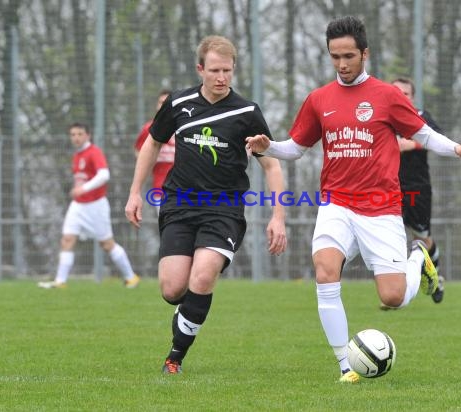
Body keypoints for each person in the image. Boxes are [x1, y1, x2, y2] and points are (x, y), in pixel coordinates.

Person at [246, 16, 461, 383]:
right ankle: (345, 366)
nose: (342, 64)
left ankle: (418, 258)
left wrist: (458, 148)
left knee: (393, 297)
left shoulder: (387, 96)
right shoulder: (319, 99)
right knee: (324, 271)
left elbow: (425, 135)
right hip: (336, 204)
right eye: (335, 56)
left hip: (381, 208)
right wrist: (268, 146)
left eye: (349, 56)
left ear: (365, 53)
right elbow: (295, 149)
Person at [124, 35, 287, 375]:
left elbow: (271, 164)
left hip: (223, 211)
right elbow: (152, 145)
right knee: (172, 289)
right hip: (179, 206)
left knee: (203, 275)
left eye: (227, 70)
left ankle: (175, 357)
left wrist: (278, 216)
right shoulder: (178, 104)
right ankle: (185, 313)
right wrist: (134, 192)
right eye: (214, 70)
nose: (221, 77)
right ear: (200, 69)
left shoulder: (246, 112)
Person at [38, 122, 140, 289]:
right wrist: (79, 191)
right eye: (73, 134)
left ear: (88, 135)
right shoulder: (77, 155)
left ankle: (131, 278)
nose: (76, 138)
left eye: (79, 134)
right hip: (78, 205)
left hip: (96, 205)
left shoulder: (94, 152)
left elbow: (104, 175)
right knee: (67, 239)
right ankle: (60, 282)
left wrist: (83, 189)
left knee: (107, 244)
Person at [391, 77, 445, 304]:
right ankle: (394, 289)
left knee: (422, 238)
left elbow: (438, 139)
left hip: (417, 187)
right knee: (390, 235)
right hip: (388, 187)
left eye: (405, 93)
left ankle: (436, 276)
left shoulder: (420, 116)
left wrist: (411, 144)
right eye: (396, 92)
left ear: (412, 98)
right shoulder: (382, 117)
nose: (400, 96)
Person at [134, 89, 175, 212]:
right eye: (160, 102)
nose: (163, 106)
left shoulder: (183, 128)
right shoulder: (149, 129)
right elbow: (139, 152)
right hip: (160, 188)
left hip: (186, 189)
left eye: (167, 102)